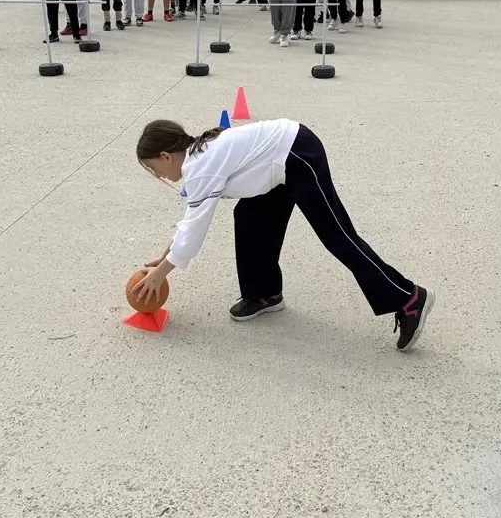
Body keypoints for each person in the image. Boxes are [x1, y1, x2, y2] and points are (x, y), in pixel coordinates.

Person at [131, 118, 435, 351]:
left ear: (166, 155)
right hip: (276, 167)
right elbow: (192, 220)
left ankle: (409, 298)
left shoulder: (200, 166)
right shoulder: (198, 158)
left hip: (296, 154)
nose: (158, 175)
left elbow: (195, 230)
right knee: (249, 217)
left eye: (153, 168)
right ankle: (264, 294)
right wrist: (163, 258)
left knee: (336, 234)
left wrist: (161, 273)